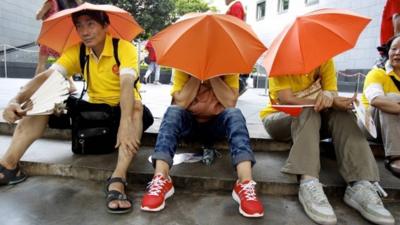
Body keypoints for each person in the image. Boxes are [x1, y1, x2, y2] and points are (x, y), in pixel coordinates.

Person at [1, 9, 146, 214]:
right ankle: (8, 166)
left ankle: (118, 178)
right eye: (79, 26)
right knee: (43, 98)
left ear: (105, 26)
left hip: (121, 108)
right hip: (94, 109)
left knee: (136, 108)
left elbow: (126, 85)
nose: (84, 31)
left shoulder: (124, 48)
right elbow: (46, 77)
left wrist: (124, 124)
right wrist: (15, 100)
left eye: (91, 24)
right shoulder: (77, 51)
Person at [260, 59, 395, 225]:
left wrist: (337, 101)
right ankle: (308, 182)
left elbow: (331, 93)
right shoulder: (280, 62)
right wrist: (326, 100)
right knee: (307, 111)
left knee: (342, 114)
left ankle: (361, 183)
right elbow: (287, 100)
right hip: (279, 119)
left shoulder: (325, 61)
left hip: (314, 117)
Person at [140, 70, 264, 218]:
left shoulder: (229, 69)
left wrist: (212, 77)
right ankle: (161, 178)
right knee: (172, 112)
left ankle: (245, 183)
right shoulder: (183, 68)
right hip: (190, 123)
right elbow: (180, 102)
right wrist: (197, 75)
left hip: (217, 123)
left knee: (235, 114)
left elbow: (230, 103)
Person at [361, 34, 400, 179]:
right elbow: (376, 100)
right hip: (371, 125)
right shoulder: (377, 73)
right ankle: (395, 156)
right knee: (390, 99)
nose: (397, 52)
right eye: (394, 48)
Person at [225, 0, 248, 96]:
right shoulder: (238, 5)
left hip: (232, 44)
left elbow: (234, 27)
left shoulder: (236, 6)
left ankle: (236, 86)